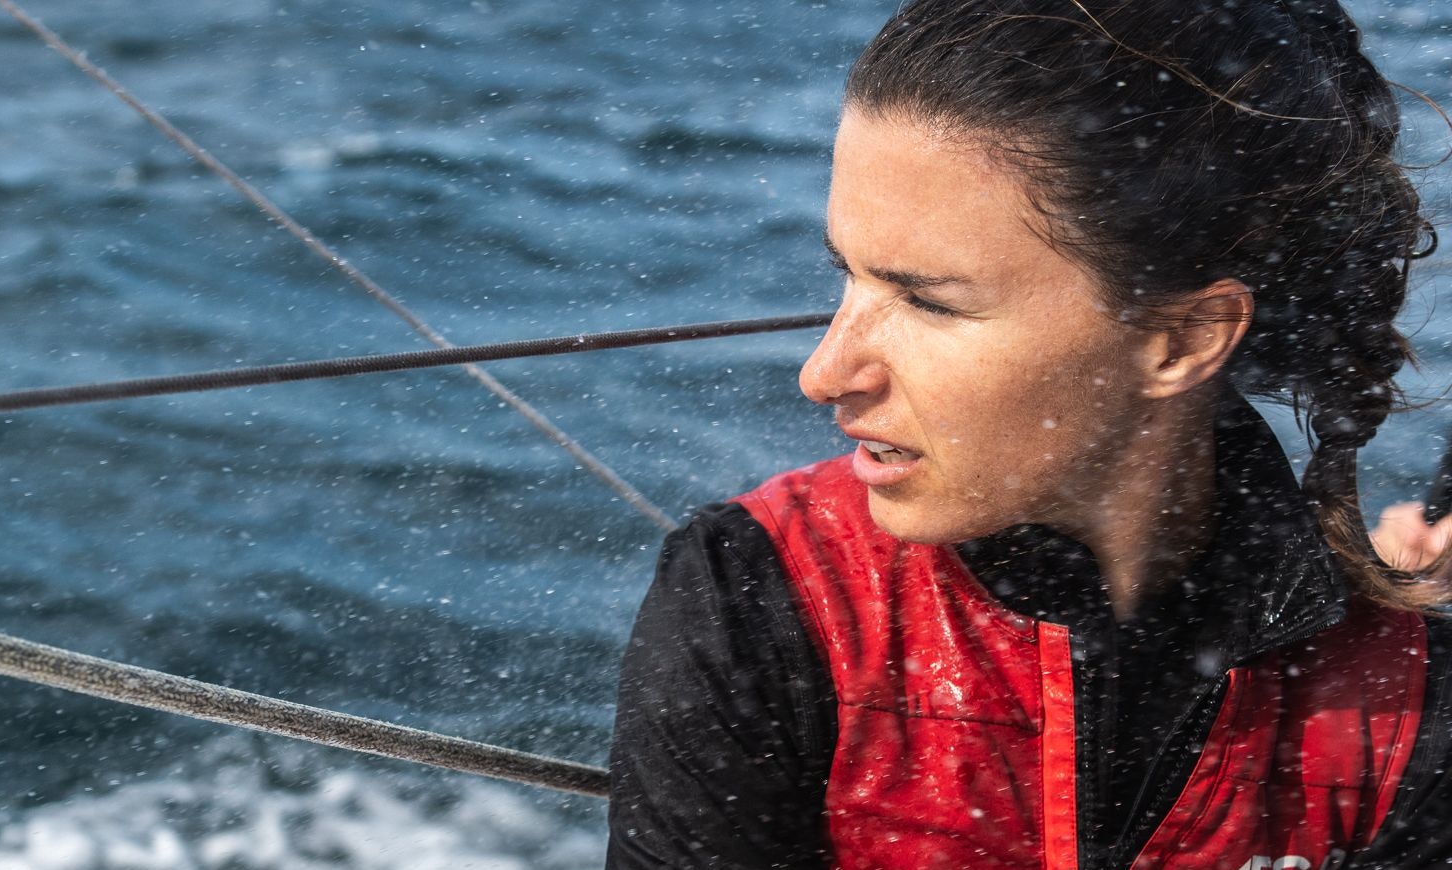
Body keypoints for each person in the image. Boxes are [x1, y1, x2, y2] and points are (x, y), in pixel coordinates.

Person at [604, 0, 1452, 866]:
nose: (823, 374)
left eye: (928, 301)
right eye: (847, 276)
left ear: (1184, 339)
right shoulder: (761, 592)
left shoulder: (1412, 709)